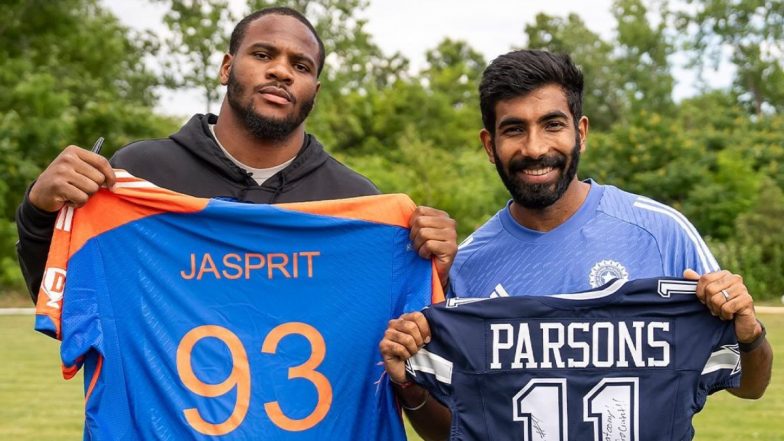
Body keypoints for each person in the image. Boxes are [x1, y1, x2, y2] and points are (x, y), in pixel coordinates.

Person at [380, 49, 772, 440]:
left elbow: (750, 385)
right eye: (514, 129)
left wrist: (749, 331)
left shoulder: (662, 232)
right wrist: (409, 386)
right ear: (489, 144)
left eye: (552, 124)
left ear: (580, 132)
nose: (534, 148)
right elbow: (458, 426)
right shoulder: (465, 267)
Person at [15, 7, 457, 302]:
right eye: (263, 54)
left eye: (300, 66)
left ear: (314, 91)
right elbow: (68, 300)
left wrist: (435, 270)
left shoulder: (355, 203)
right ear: (227, 68)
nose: (281, 71)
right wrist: (38, 211)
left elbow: (395, 345)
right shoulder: (138, 175)